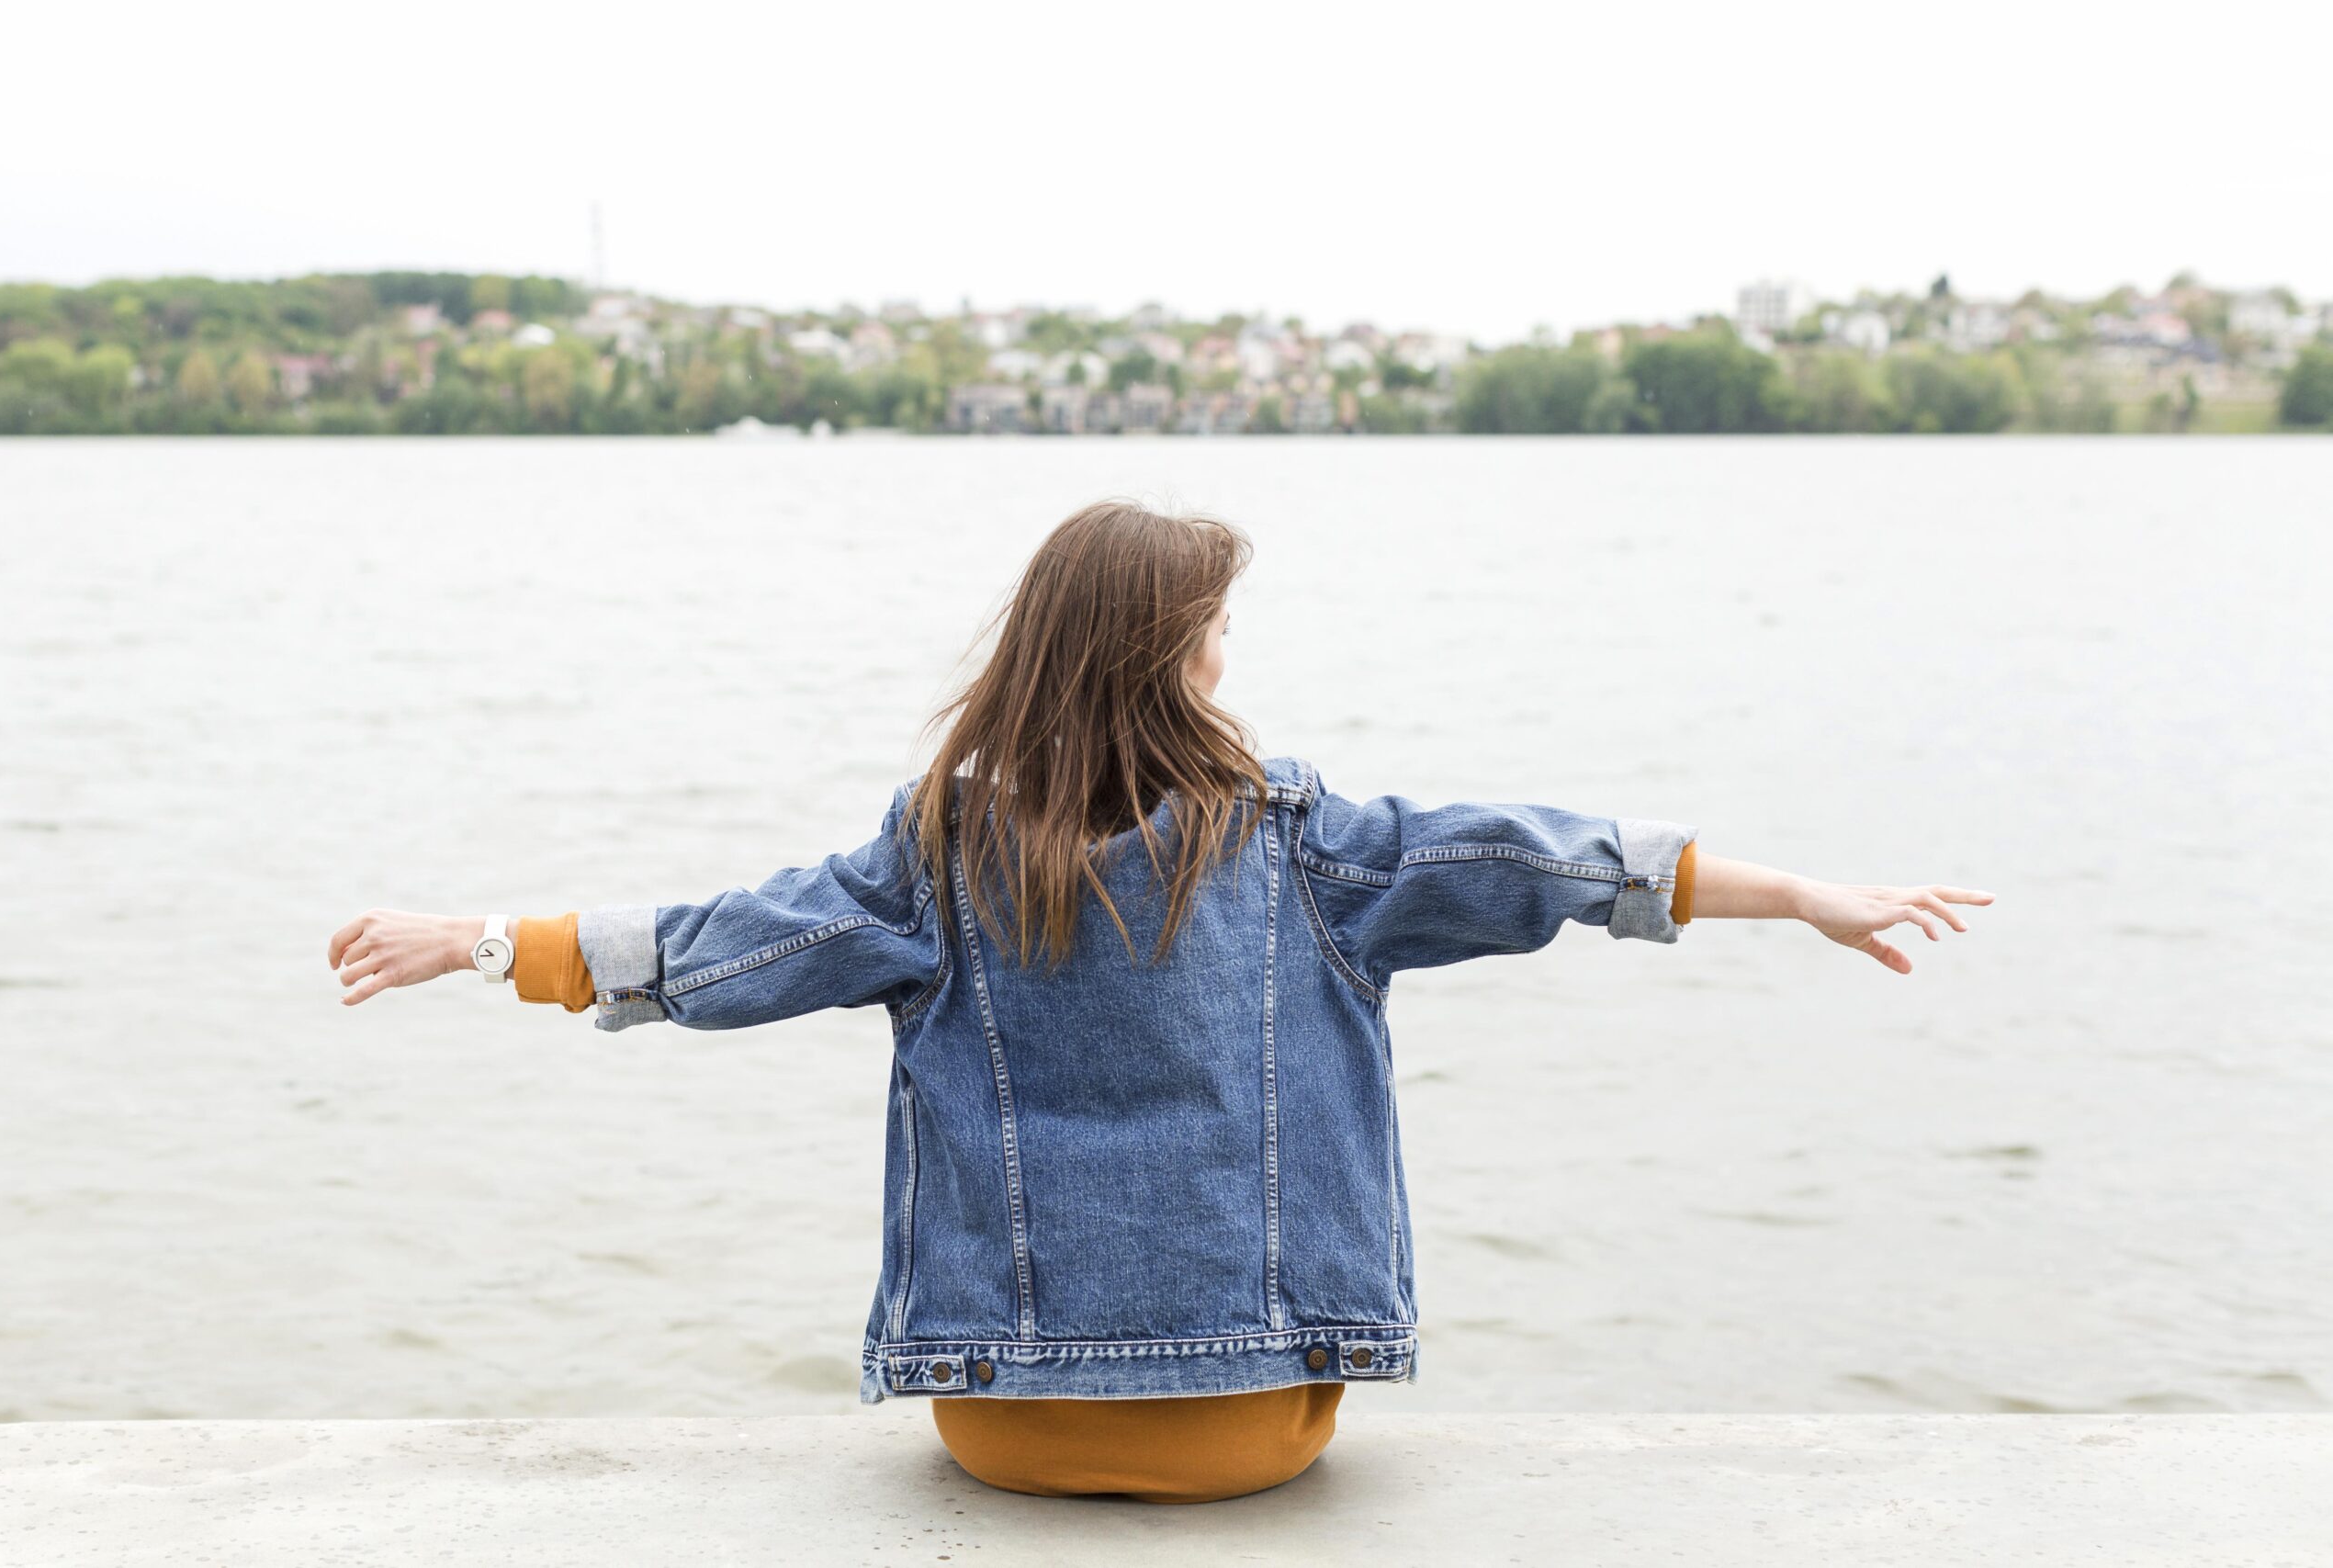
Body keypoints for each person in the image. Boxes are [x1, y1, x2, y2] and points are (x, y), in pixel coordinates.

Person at [326, 500, 1991, 1505]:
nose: (1224, 663)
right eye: (1213, 636)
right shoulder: (1312, 844)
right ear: (1172, 657)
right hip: (1259, 1427)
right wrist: (1803, 895)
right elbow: (1544, 863)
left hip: (1002, 1426)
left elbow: (722, 951)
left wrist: (483, 942)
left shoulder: (936, 855)